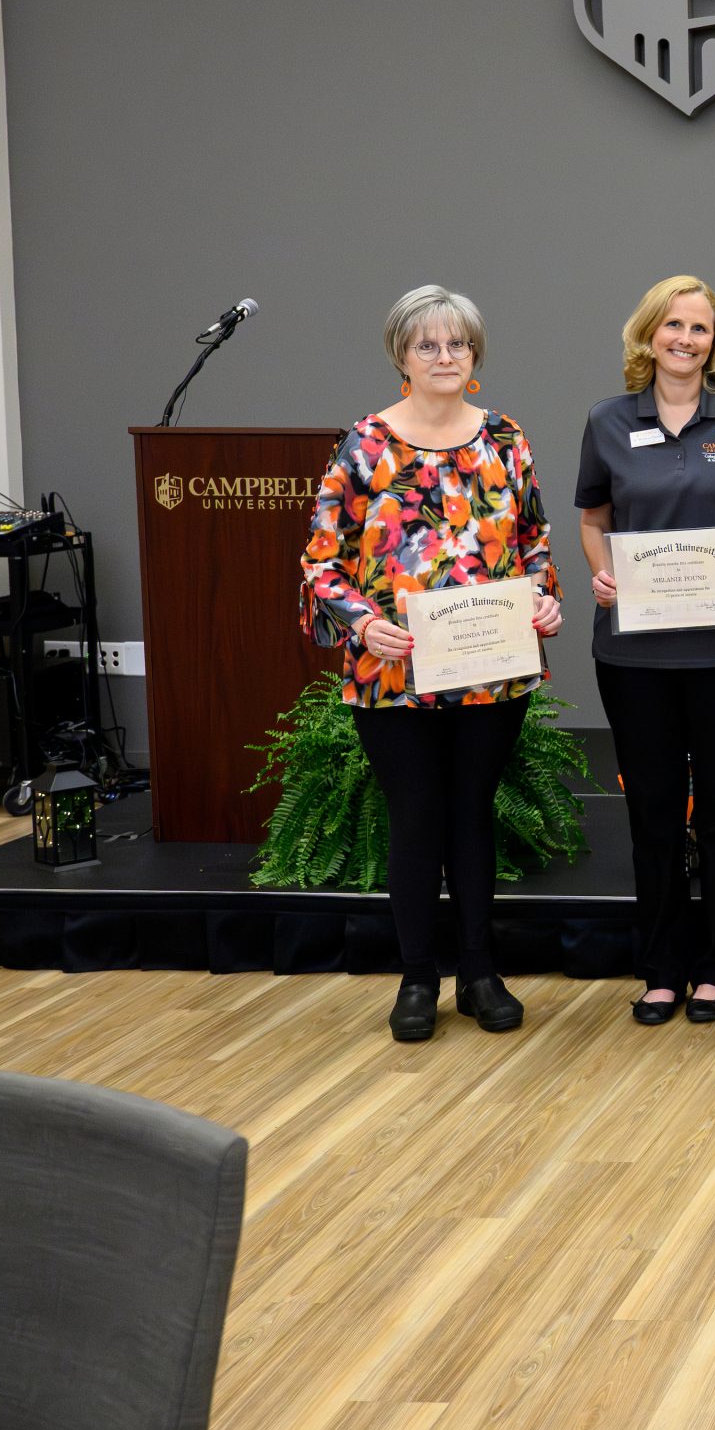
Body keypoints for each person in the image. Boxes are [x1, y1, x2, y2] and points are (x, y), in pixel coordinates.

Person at [300, 285, 564, 1043]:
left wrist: (544, 601)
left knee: (471, 816)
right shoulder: (365, 444)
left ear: (474, 356)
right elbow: (321, 563)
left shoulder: (506, 438)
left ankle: (480, 972)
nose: (446, 357)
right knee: (416, 820)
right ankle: (418, 977)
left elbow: (534, 543)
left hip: (492, 671)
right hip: (393, 675)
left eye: (459, 345)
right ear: (401, 357)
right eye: (429, 346)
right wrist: (365, 623)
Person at [574, 276, 715, 1026]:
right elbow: (594, 517)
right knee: (655, 817)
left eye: (700, 328)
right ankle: (662, 969)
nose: (685, 339)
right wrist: (601, 573)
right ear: (648, 334)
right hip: (636, 657)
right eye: (673, 325)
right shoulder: (607, 420)